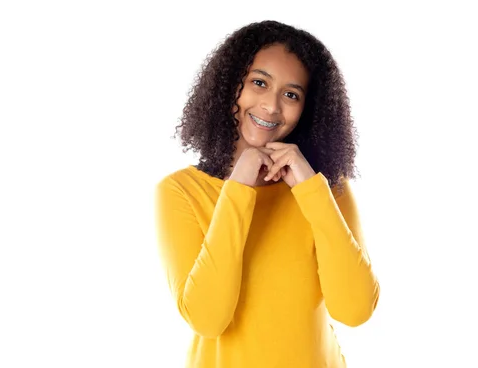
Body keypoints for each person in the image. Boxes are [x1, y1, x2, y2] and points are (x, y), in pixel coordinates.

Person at [155, 20, 380, 368]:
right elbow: (207, 318)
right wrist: (238, 189)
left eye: (291, 94)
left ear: (308, 109)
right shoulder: (181, 192)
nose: (272, 106)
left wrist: (310, 190)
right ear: (232, 86)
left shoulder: (327, 189)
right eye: (259, 83)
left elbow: (354, 310)